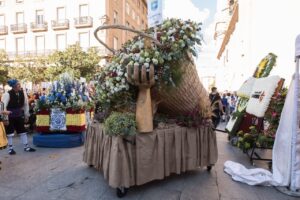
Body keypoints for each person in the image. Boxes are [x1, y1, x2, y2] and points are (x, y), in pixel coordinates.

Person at [1, 79, 36, 155]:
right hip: (9, 116)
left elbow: (26, 104)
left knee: (23, 131)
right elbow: (3, 107)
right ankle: (10, 149)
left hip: (19, 115)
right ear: (13, 86)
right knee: (10, 133)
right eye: (18, 85)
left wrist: (27, 115)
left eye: (19, 84)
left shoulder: (22, 93)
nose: (19, 86)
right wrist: (5, 118)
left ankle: (26, 147)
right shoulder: (7, 94)